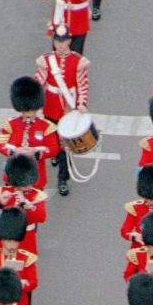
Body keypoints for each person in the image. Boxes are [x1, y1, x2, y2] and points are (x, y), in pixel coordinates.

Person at [34, 24, 90, 196]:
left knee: (65, 145)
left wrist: (81, 102)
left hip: (69, 106)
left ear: (69, 41)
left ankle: (63, 179)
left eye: (63, 41)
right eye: (57, 41)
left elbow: (82, 84)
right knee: (51, 140)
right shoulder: (47, 60)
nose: (60, 44)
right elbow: (40, 81)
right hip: (51, 106)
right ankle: (56, 155)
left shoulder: (77, 61)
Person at [0, 76, 61, 192]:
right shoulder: (11, 124)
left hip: (36, 179)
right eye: (25, 111)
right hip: (13, 176)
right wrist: (14, 151)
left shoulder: (46, 126)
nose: (28, 114)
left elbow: (54, 149)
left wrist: (35, 152)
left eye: (31, 110)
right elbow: (0, 144)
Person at [0, 152, 47, 256]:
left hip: (26, 239)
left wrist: (25, 203)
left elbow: (41, 217)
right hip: (5, 239)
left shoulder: (36, 195)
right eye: (24, 185)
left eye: (29, 184)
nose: (28, 187)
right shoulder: (4, 192)